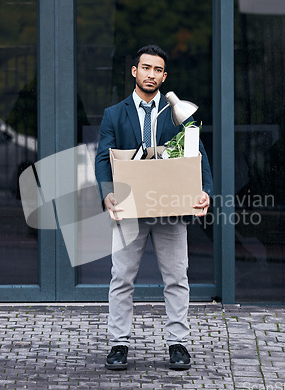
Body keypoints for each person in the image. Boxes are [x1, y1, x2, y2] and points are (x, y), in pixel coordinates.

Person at [94, 45, 213, 370]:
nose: (151, 74)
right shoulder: (114, 114)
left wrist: (205, 192)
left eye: (157, 70)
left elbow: (196, 153)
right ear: (135, 71)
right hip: (129, 208)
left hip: (170, 208)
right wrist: (107, 195)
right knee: (121, 278)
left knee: (176, 278)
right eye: (145, 68)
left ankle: (178, 344)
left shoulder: (177, 112)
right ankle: (119, 344)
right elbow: (103, 158)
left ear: (164, 76)